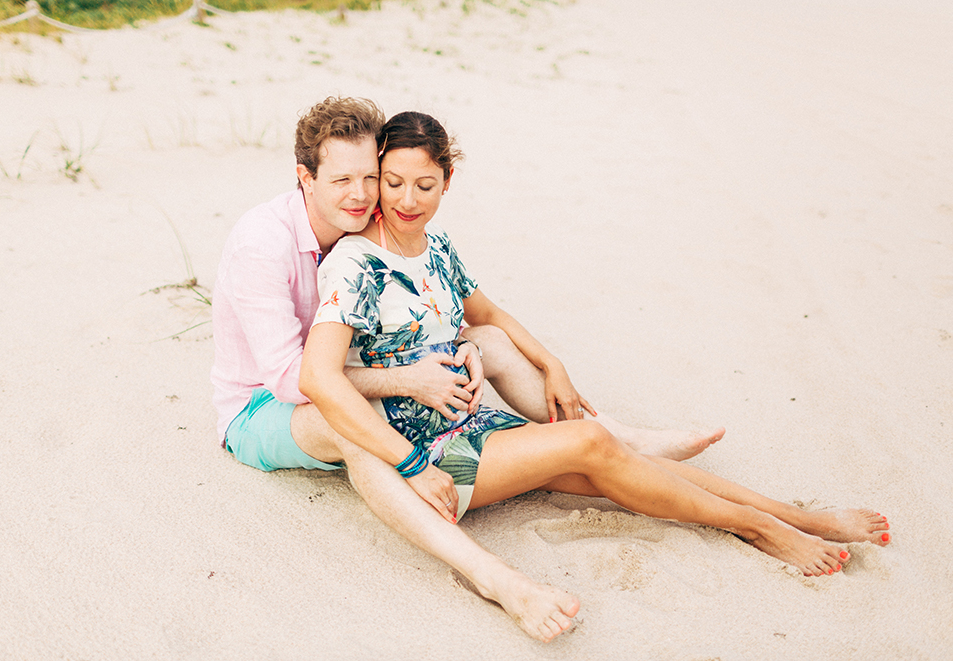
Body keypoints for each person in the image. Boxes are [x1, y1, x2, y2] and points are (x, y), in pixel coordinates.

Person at [299, 111, 893, 639]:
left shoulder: (435, 247)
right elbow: (320, 376)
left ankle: (791, 516)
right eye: (394, 182)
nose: (406, 199)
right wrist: (409, 462)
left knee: (629, 469)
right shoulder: (356, 264)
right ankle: (763, 529)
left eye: (425, 185)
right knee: (591, 440)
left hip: (478, 425)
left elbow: (486, 316)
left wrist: (552, 363)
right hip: (436, 458)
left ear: (447, 183)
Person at [211, 96, 726, 642]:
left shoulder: (371, 221)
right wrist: (410, 397)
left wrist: (474, 346)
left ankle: (621, 439)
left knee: (488, 342)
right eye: (341, 179)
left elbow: (418, 312)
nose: (361, 194)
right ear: (304, 178)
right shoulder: (262, 245)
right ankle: (494, 578)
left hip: (339, 372)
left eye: (369, 176)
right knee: (351, 425)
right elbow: (297, 380)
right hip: (262, 407)